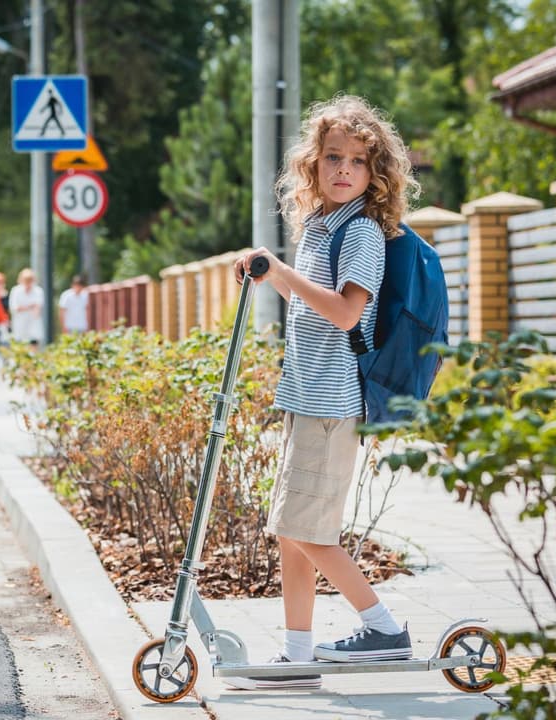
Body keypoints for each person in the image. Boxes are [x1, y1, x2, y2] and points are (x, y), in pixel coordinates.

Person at [227, 95, 420, 690]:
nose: (343, 170)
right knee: (292, 529)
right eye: (332, 157)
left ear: (376, 173)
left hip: (333, 402)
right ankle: (298, 652)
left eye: (358, 162)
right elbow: (309, 305)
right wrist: (269, 274)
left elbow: (343, 313)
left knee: (310, 533)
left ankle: (383, 628)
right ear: (312, 165)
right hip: (304, 396)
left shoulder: (361, 231)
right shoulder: (318, 227)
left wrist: (280, 271)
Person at [8, 268, 44, 346]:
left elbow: (37, 308)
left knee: (33, 344)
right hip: (20, 326)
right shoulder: (16, 291)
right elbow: (15, 308)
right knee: (20, 346)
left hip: (33, 326)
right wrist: (30, 306)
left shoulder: (38, 291)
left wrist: (25, 308)